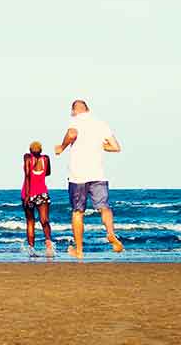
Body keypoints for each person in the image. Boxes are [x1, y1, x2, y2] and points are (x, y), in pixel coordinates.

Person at [55, 99, 124, 259]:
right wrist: (99, 146)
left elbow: (72, 134)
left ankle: (79, 250)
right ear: (88, 109)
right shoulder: (101, 124)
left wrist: (62, 147)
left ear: (74, 111)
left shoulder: (75, 121)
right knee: (104, 207)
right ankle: (111, 234)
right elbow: (115, 147)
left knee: (78, 211)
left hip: (78, 175)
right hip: (98, 173)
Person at [21, 141, 54, 256]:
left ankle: (31, 249)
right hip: (42, 193)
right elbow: (48, 173)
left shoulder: (27, 159)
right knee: (44, 220)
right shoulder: (46, 159)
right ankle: (49, 245)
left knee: (31, 221)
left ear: (30, 151)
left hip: (28, 193)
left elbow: (27, 176)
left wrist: (27, 196)